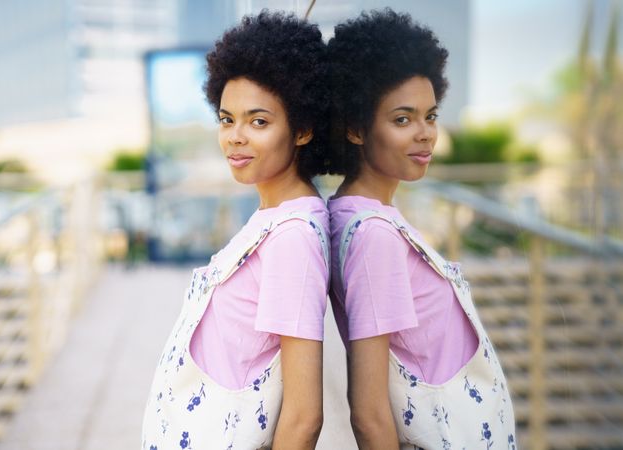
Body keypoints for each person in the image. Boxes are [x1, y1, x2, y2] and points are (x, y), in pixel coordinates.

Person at [326, 9, 516, 449]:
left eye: (430, 116)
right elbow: (369, 413)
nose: (425, 134)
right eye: (402, 119)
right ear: (356, 127)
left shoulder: (353, 214)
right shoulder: (374, 235)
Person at [141, 11, 330, 450]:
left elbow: (305, 416)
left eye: (258, 122)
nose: (235, 138)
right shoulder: (274, 217)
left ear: (302, 129)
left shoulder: (292, 238)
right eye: (227, 119)